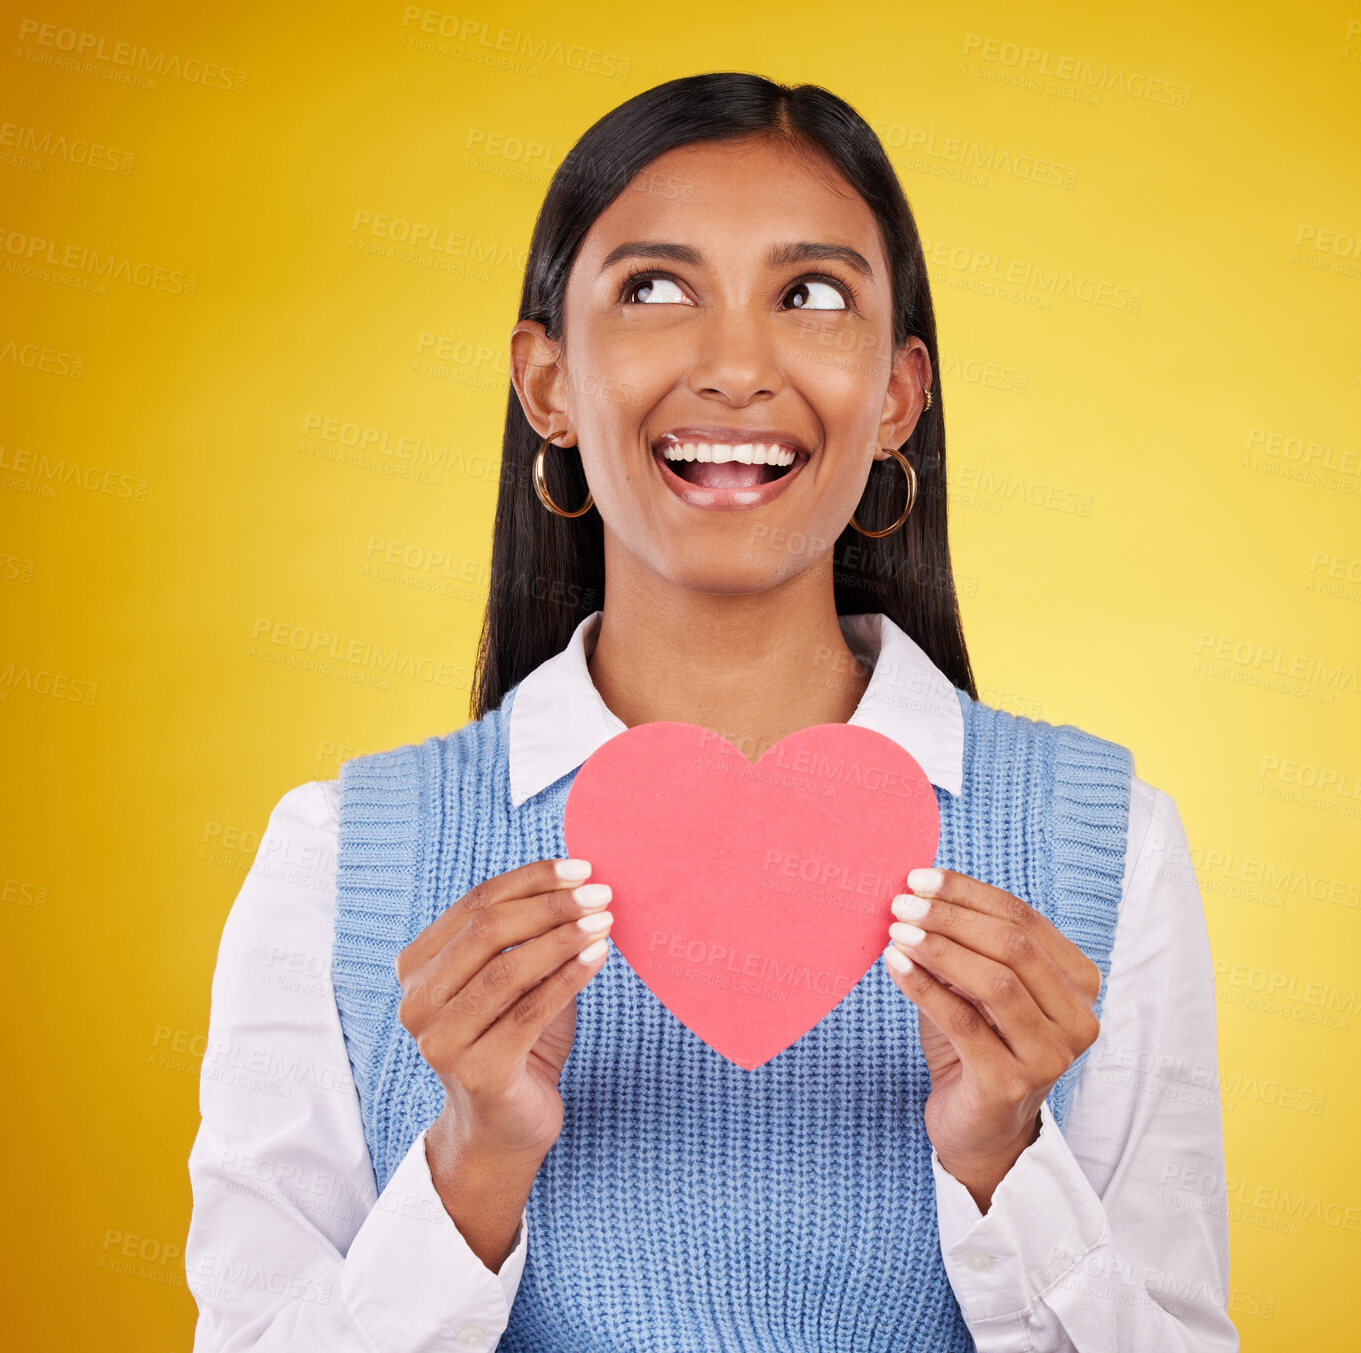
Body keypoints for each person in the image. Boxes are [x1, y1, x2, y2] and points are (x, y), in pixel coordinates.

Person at [186, 71, 1239, 1351]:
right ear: (547, 383)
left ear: (899, 396)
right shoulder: (338, 858)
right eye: (654, 289)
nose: (736, 367)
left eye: (810, 296)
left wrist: (1006, 1162)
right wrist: (472, 1171)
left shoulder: (1108, 845)